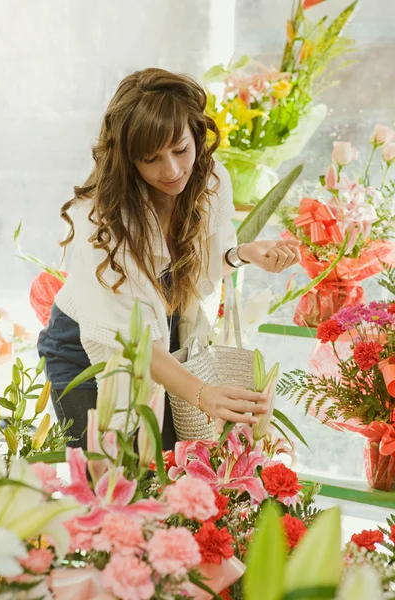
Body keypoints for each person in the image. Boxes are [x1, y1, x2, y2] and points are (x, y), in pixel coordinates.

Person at [37, 68, 300, 449]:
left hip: (162, 337)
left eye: (180, 149)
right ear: (128, 159)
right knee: (111, 483)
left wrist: (243, 254)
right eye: (151, 158)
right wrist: (202, 393)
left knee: (169, 482)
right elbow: (134, 339)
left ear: (196, 134)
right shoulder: (103, 221)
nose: (172, 170)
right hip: (87, 348)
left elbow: (196, 271)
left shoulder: (210, 183)